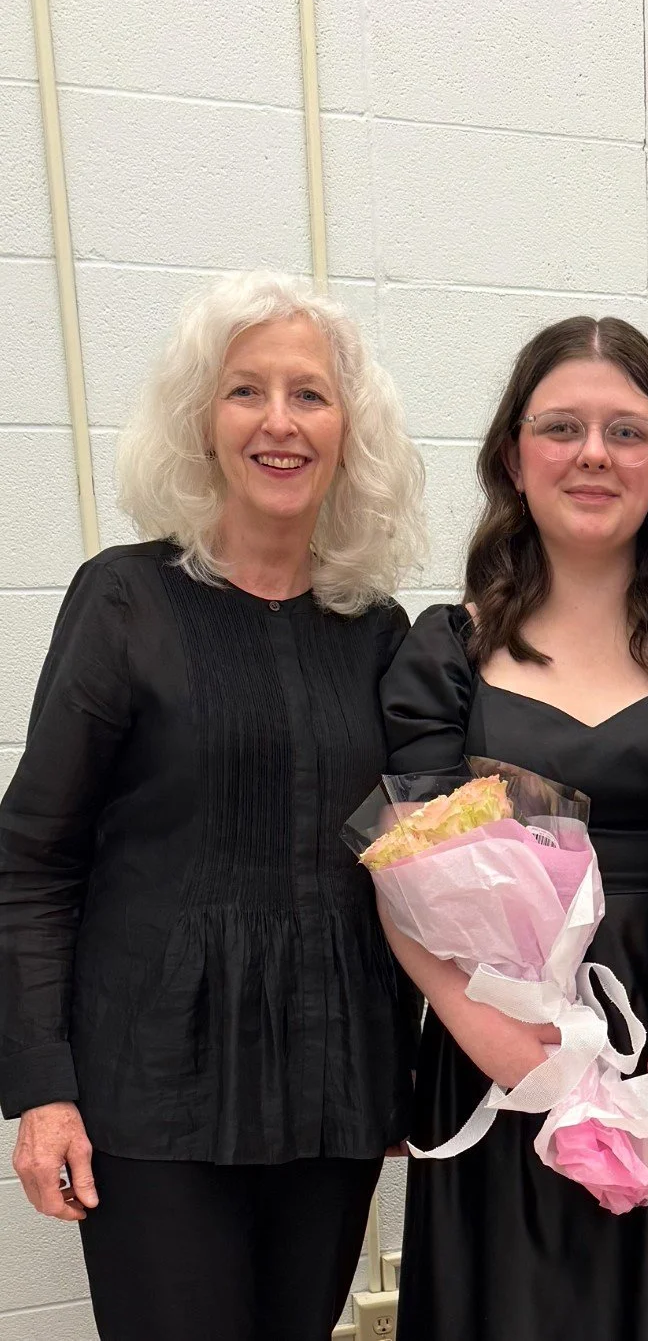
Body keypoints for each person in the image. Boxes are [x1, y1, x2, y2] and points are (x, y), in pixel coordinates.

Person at [0, 272, 427, 1341]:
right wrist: (42, 1089)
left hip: (330, 1090)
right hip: (151, 1087)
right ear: (203, 423)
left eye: (309, 394)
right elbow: (32, 860)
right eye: (247, 391)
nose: (279, 421)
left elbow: (405, 867)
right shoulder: (125, 600)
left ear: (347, 433)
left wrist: (396, 1066)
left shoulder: (377, 630)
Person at [379, 316, 648, 1340]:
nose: (593, 454)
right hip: (510, 1050)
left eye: (626, 430)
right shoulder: (447, 654)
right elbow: (400, 877)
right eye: (561, 427)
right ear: (513, 455)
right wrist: (479, 1030)